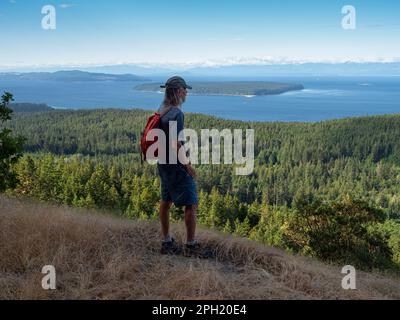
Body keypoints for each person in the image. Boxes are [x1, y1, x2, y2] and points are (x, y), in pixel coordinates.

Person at [157, 76, 212, 258]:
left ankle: (166, 242)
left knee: (166, 201)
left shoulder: (162, 109)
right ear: (178, 91)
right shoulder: (176, 113)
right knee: (191, 203)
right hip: (176, 166)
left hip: (163, 164)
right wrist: (188, 166)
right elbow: (176, 143)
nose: (187, 92)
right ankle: (191, 245)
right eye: (185, 90)